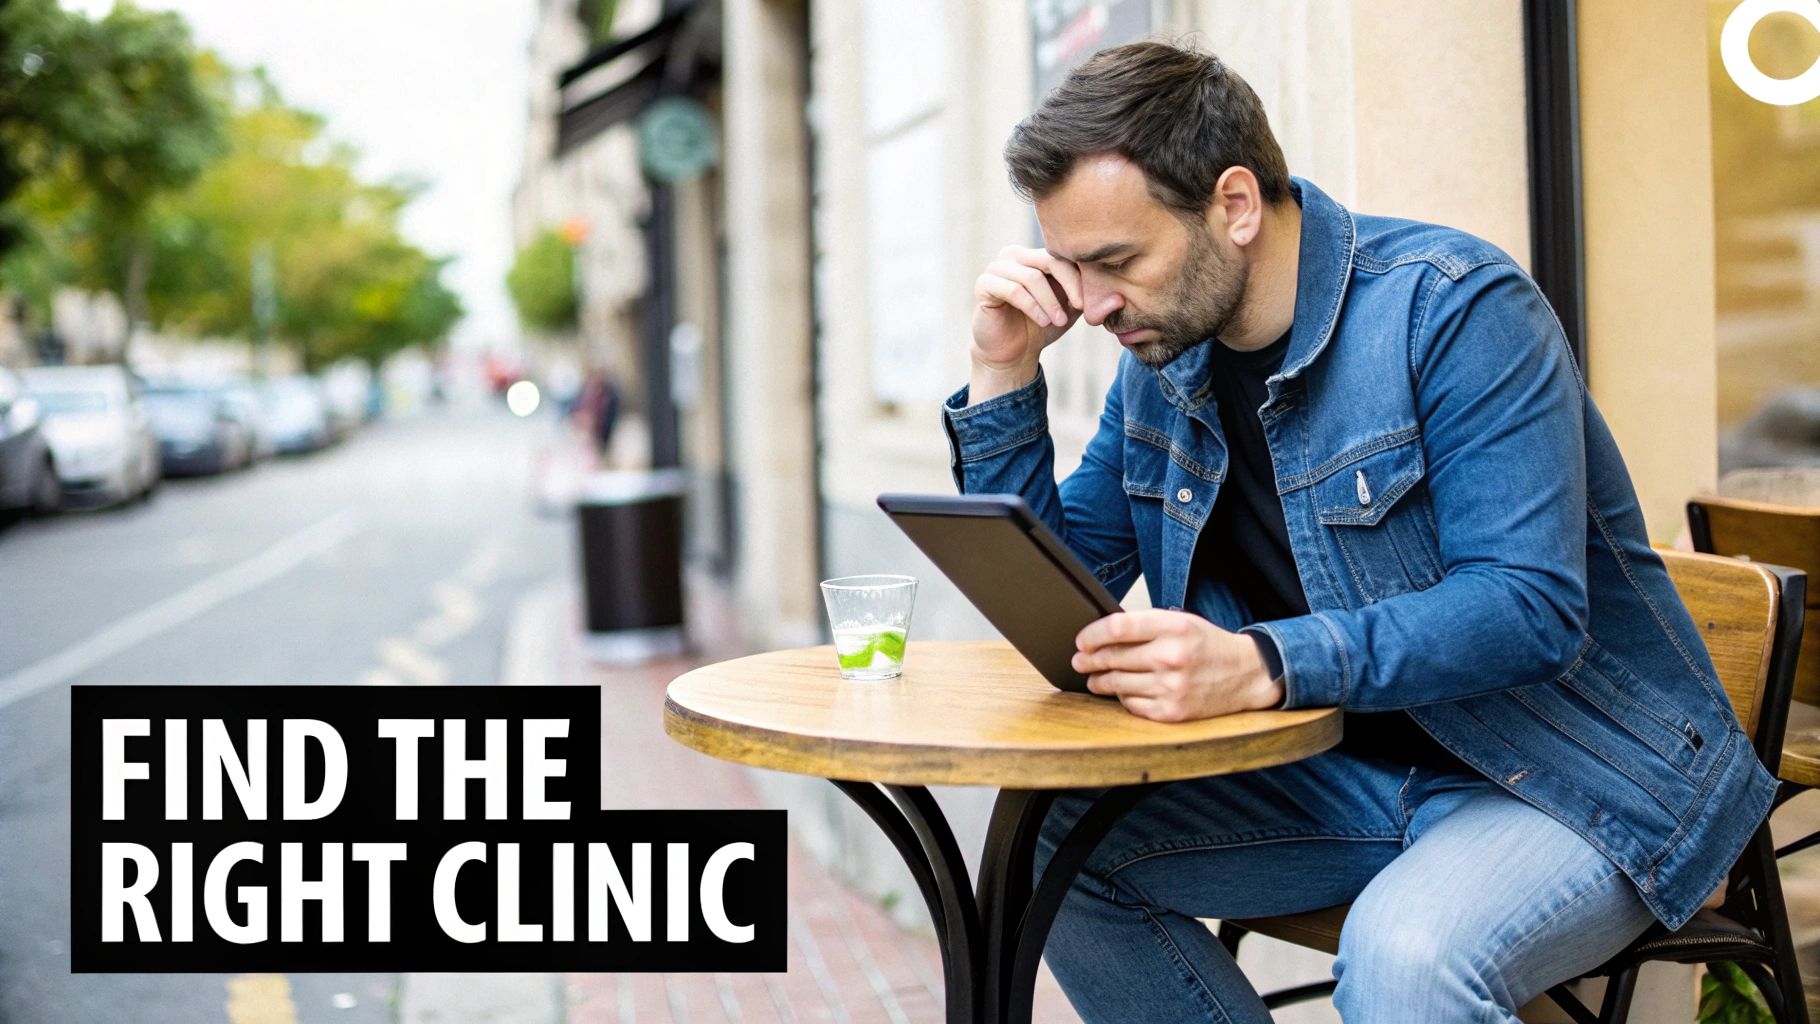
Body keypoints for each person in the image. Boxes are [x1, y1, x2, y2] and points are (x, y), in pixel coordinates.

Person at [943, 41, 1778, 1023]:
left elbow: (1528, 607)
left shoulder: (1453, 308)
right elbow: (1055, 589)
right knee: (1056, 843)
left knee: (1405, 958)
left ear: (1235, 206)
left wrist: (1260, 663)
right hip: (1348, 783)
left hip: (1568, 781)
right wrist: (999, 372)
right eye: (1071, 268)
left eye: (1116, 262)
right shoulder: (1161, 366)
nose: (1088, 305)